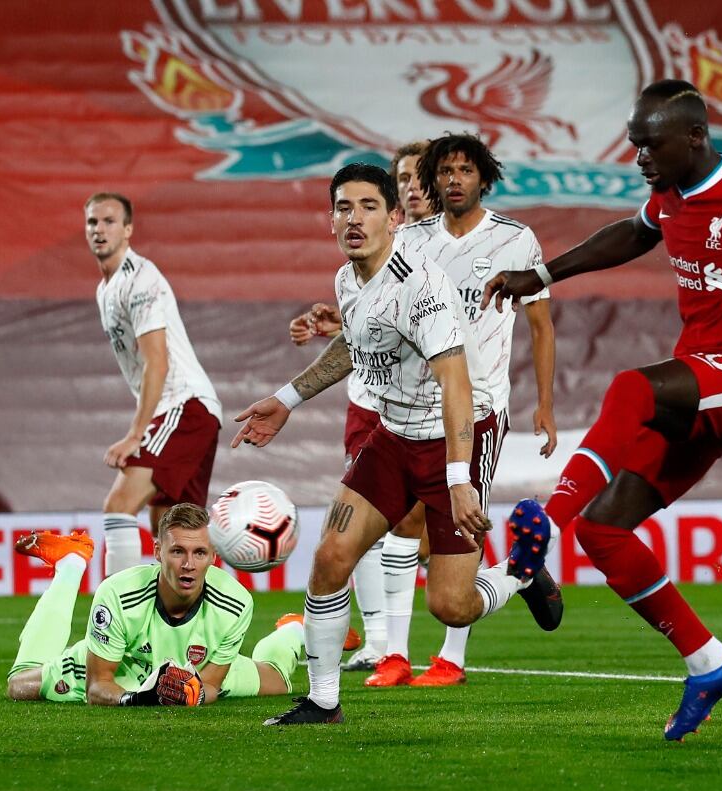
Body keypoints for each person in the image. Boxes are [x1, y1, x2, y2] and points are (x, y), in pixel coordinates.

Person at [483, 79, 722, 740]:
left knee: (631, 388)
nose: (640, 158)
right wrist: (540, 276)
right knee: (608, 530)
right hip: (703, 379)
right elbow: (629, 235)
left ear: (695, 137)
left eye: (651, 144)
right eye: (634, 145)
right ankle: (710, 661)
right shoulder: (670, 195)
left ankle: (540, 536)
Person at [234, 162, 562, 725]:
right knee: (330, 559)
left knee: (451, 606)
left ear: (393, 218)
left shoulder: (422, 286)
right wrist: (288, 398)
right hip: (392, 435)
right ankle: (322, 701)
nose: (353, 218)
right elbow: (355, 347)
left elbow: (456, 384)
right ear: (331, 220)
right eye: (343, 207)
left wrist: (460, 482)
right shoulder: (347, 278)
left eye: (367, 207)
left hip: (455, 438)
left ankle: (520, 572)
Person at [366, 132, 558, 689]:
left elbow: (541, 327)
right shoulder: (410, 240)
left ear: (484, 177)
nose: (454, 180)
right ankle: (395, 656)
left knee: (460, 525)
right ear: (430, 180)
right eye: (444, 172)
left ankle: (458, 649)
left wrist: (544, 405)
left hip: (478, 408)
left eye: (464, 171)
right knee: (403, 521)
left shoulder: (516, 240)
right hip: (413, 406)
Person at [286, 141, 436, 672]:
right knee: (355, 536)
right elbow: (363, 326)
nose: (414, 185)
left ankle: (512, 577)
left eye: (420, 177)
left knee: (444, 583)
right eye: (405, 176)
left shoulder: (440, 255)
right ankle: (381, 646)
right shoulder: (352, 269)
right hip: (371, 405)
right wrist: (334, 325)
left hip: (435, 413)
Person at [6, 503, 354, 705]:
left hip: (192, 670)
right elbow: (100, 685)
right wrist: (142, 697)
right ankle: (71, 565)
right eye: (177, 551)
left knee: (279, 681)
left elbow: (213, 685)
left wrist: (191, 693)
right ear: (158, 552)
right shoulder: (117, 594)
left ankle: (294, 630)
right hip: (125, 669)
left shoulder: (235, 602)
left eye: (199, 552)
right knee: (21, 685)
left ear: (213, 556)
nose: (188, 564)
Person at [87, 193, 222, 577]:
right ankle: (191, 628)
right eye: (93, 222)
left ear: (128, 229)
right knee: (177, 535)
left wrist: (135, 434)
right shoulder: (106, 288)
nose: (100, 229)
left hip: (183, 405)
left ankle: (115, 620)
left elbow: (157, 362)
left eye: (110, 221)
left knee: (118, 508)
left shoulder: (141, 280)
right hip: (191, 410)